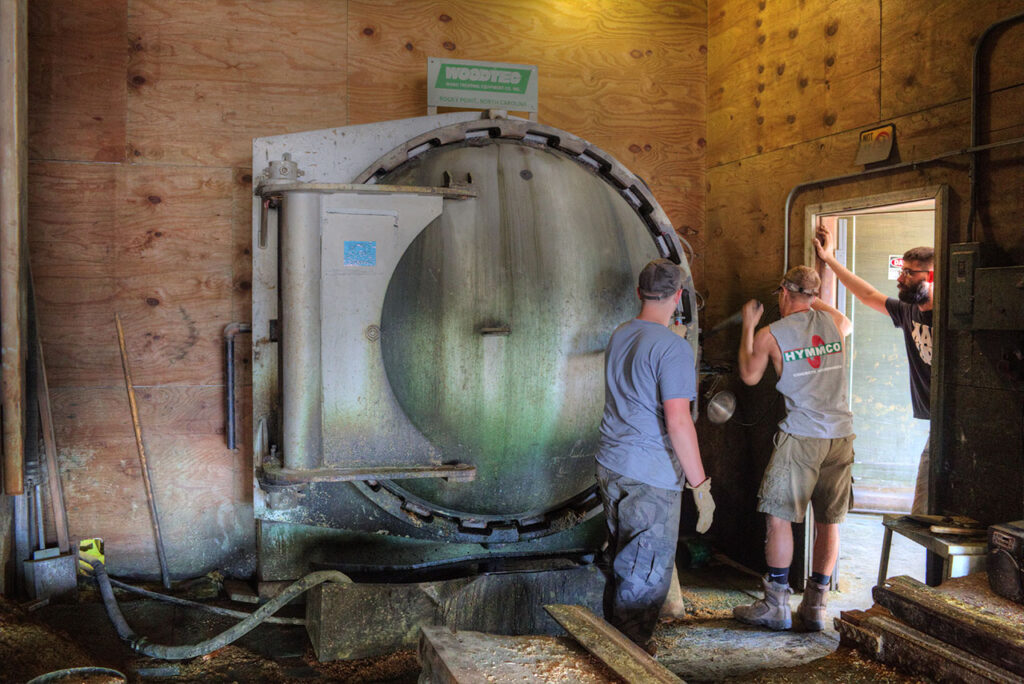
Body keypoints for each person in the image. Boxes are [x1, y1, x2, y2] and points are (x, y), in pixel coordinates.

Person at [595, 258, 715, 652]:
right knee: (644, 572)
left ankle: (615, 643)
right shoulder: (673, 349)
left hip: (612, 464)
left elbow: (641, 364)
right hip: (651, 474)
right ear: (678, 296)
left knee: (622, 558)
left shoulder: (621, 333)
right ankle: (628, 658)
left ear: (639, 293)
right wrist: (700, 485)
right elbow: (679, 422)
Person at [732, 266, 854, 632]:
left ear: (783, 293)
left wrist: (748, 325)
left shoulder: (772, 334)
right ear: (815, 297)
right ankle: (816, 606)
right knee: (829, 519)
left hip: (802, 436)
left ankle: (775, 605)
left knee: (778, 516)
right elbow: (832, 314)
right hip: (841, 434)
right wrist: (819, 279)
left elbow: (749, 375)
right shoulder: (838, 324)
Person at [813, 228, 933, 514]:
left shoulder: (951, 315)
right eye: (901, 271)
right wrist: (828, 259)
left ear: (931, 276)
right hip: (937, 421)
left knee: (929, 510)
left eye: (909, 273)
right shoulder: (908, 311)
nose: (901, 279)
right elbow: (867, 294)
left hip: (957, 423)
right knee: (924, 512)